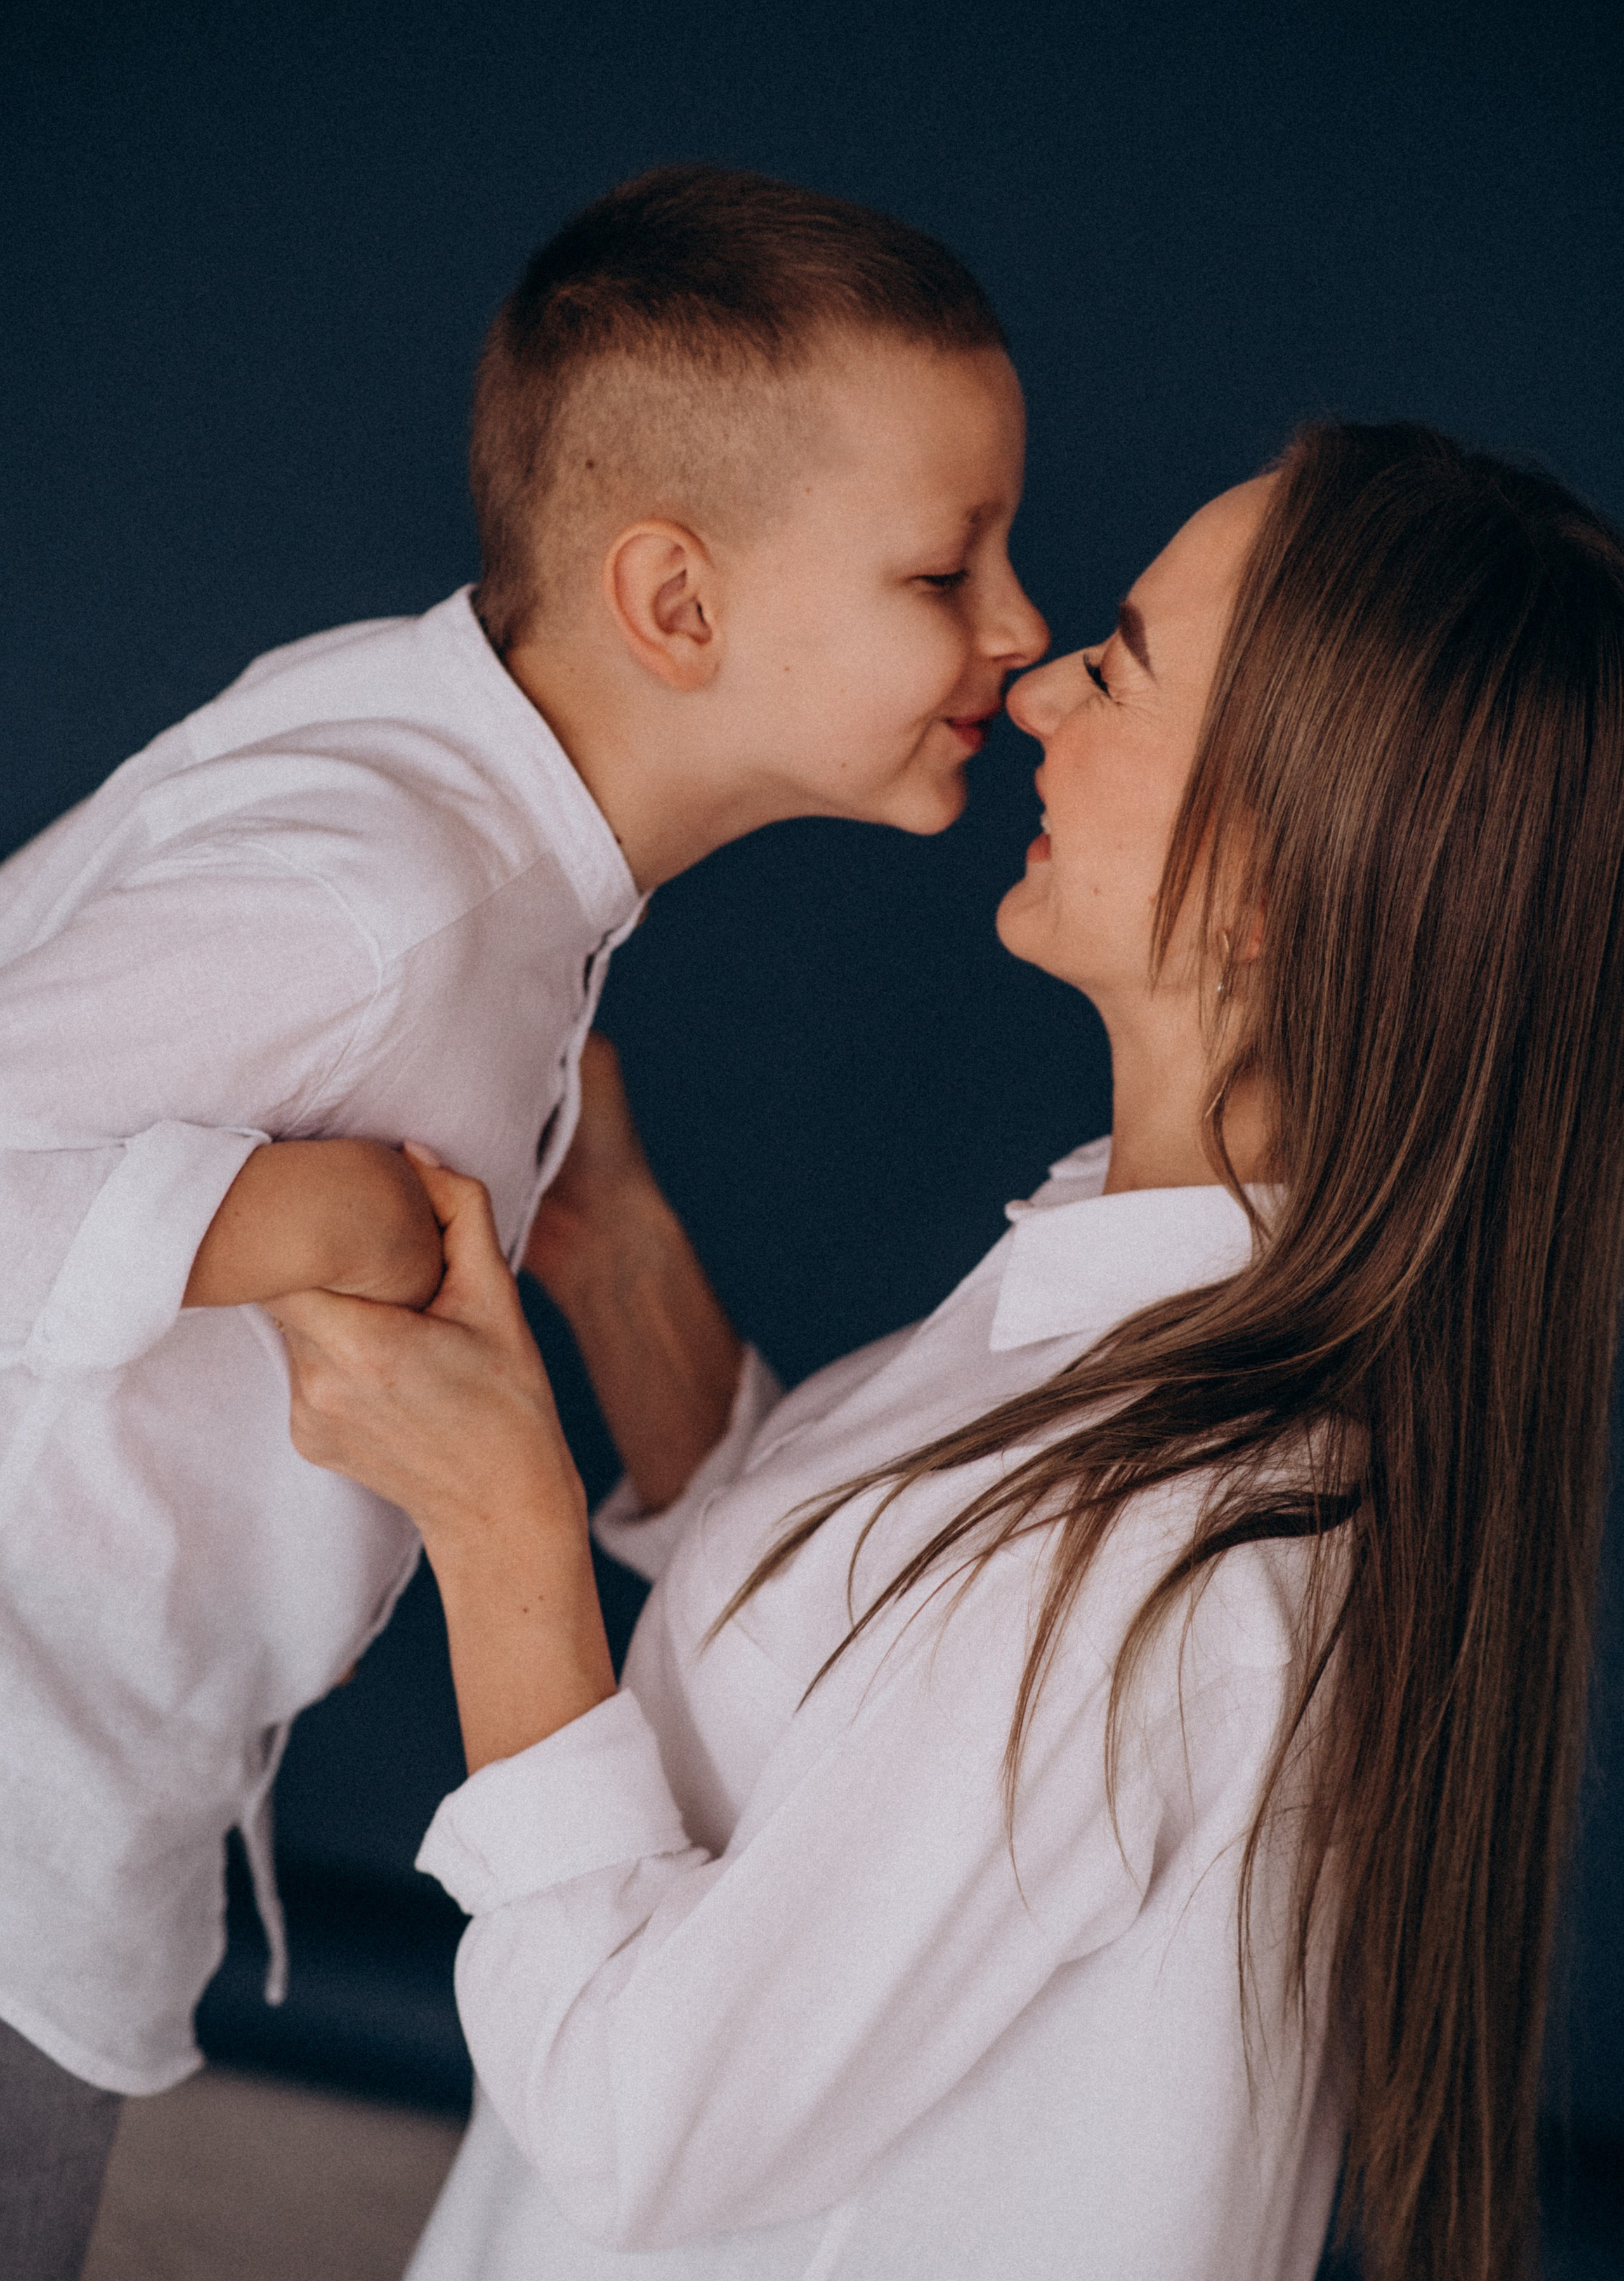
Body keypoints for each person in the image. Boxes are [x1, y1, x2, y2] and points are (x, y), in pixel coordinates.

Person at [280, 418, 1624, 2281]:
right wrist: (624, 1266)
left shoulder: (1173, 1549)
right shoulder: (1137, 1302)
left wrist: (499, 1529)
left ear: (1275, 881)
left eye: (1126, 667)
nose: (1046, 680)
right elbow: (859, 1671)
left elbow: (634, 2118)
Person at [0, 165, 1047, 2277]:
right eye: (950, 570)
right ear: (678, 607)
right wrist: (299, 1213)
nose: (1024, 632)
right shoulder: (386, 894)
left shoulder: (446, 791)